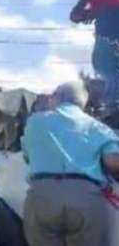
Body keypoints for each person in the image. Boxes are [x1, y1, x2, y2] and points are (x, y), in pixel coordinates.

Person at [21, 82, 119, 246]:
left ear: (57, 97)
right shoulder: (98, 128)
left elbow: (27, 156)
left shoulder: (34, 122)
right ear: (82, 103)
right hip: (87, 200)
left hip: (41, 198)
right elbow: (113, 162)